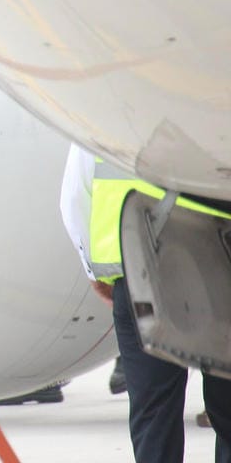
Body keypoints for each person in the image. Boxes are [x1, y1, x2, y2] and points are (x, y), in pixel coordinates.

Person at [60, 145, 231, 462]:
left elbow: (73, 197)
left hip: (138, 276)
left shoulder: (100, 116)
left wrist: (95, 269)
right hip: (219, 270)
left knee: (153, 420)